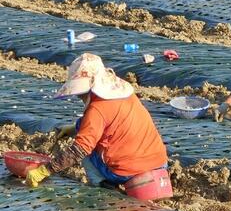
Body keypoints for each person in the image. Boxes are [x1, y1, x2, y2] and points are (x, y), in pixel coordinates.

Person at [25, 53, 170, 197]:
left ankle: (103, 186)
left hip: (128, 171)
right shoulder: (124, 92)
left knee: (86, 154)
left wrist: (44, 171)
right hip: (159, 162)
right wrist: (74, 128)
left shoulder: (97, 109)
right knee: (88, 133)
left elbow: (79, 150)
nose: (78, 96)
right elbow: (109, 122)